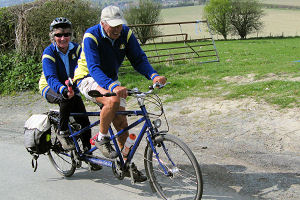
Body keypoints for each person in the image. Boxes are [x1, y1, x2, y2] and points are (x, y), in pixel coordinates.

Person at [73, 6, 166, 181]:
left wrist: (153, 75)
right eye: (113, 26)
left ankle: (127, 164)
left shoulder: (126, 34)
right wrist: (112, 86)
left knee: (122, 123)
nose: (117, 29)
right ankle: (101, 137)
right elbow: (94, 68)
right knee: (113, 100)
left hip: (109, 81)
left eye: (119, 25)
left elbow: (138, 59)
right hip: (87, 77)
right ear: (103, 23)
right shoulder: (91, 35)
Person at [39, 18, 100, 170]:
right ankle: (62, 131)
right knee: (65, 99)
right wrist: (64, 90)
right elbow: (51, 77)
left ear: (71, 35)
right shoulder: (49, 52)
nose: (63, 38)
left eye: (67, 34)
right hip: (50, 87)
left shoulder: (77, 49)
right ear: (53, 36)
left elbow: (87, 68)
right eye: (59, 35)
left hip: (72, 87)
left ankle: (88, 154)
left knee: (84, 121)